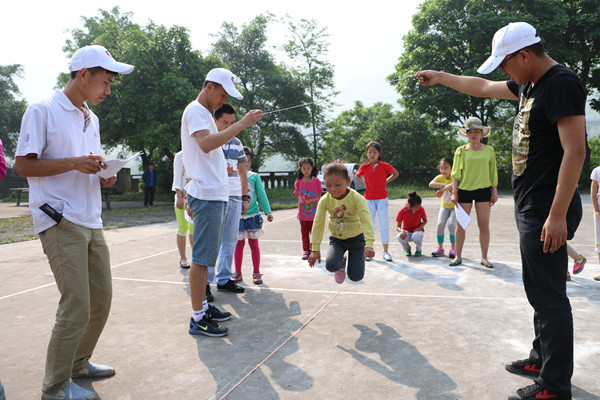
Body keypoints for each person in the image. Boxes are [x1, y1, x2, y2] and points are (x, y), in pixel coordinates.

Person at [417, 21, 586, 400]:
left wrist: (557, 215)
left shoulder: (561, 84)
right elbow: (481, 86)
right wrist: (441, 76)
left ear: (524, 54)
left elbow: (576, 151)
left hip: (548, 209)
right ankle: (540, 357)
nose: (504, 72)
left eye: (505, 63)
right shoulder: (531, 83)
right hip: (534, 204)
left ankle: (555, 386)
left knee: (548, 297)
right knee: (539, 290)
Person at [15, 45, 134, 400]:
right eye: (105, 82)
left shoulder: (90, 118)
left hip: (91, 218)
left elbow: (85, 164)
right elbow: (23, 165)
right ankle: (54, 386)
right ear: (83, 74)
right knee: (77, 303)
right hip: (59, 216)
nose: (108, 91)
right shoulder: (42, 110)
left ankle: (79, 362)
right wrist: (73, 162)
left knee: (101, 299)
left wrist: (103, 174)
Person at [181, 67, 262, 337]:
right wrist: (241, 124)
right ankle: (198, 318)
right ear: (209, 86)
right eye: (223, 93)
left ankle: (203, 308)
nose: (224, 100)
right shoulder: (195, 110)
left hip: (214, 194)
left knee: (207, 258)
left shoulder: (203, 113)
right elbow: (205, 144)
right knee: (201, 260)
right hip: (205, 194)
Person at [308, 162, 375, 284]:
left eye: (337, 185)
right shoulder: (324, 200)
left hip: (357, 240)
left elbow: (367, 220)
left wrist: (369, 244)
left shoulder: (356, 198)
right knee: (331, 266)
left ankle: (352, 262)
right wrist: (315, 249)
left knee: (356, 277)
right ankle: (341, 262)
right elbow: (318, 224)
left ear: (348, 182)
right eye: (328, 185)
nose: (333, 189)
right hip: (337, 240)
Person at [448, 117, 498, 268]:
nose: (474, 134)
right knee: (461, 225)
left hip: (483, 191)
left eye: (477, 131)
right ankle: (458, 256)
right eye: (471, 131)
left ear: (482, 133)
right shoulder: (461, 151)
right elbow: (455, 174)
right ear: (467, 134)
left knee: (483, 225)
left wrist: (494, 191)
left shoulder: (489, 150)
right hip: (464, 191)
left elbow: (493, 172)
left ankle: (484, 257)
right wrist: (454, 193)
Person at [211, 104, 249, 296]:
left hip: (233, 196)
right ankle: (206, 283)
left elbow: (243, 171)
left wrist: (245, 196)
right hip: (214, 197)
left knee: (230, 240)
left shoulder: (236, 143)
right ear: (215, 120)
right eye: (225, 122)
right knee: (211, 241)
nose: (229, 126)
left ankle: (224, 278)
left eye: (232, 123)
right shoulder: (208, 140)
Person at [233, 146, 273, 284]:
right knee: (238, 245)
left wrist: (268, 211)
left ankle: (256, 272)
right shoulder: (232, 176)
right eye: (244, 160)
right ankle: (237, 272)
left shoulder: (254, 176)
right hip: (237, 218)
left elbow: (261, 195)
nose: (246, 163)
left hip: (253, 217)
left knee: (254, 245)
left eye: (249, 160)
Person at [356, 141, 399, 262]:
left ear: (379, 153)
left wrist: (386, 181)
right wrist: (365, 182)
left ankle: (385, 251)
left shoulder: (384, 165)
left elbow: (395, 173)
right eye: (370, 152)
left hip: (382, 199)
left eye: (375, 152)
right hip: (368, 199)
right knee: (369, 225)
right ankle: (369, 251)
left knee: (384, 225)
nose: (372, 154)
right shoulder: (364, 166)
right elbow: (357, 176)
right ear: (366, 154)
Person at [294, 157, 321, 260]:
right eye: (304, 168)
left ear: (312, 168)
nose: (306, 170)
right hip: (303, 214)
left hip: (314, 213)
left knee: (314, 233)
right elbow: (299, 197)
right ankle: (306, 250)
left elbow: (319, 196)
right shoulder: (298, 182)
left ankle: (314, 249)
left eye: (308, 168)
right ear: (300, 169)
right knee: (304, 233)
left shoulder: (317, 181)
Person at [429, 157, 456, 257]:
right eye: (441, 168)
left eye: (446, 168)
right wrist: (445, 186)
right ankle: (440, 248)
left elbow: (454, 185)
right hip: (444, 206)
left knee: (452, 226)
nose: (443, 170)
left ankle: (453, 248)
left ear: (452, 168)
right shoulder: (440, 177)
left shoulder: (455, 177)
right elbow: (431, 184)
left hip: (455, 207)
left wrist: (443, 188)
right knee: (440, 225)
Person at [172, 150, 193, 269]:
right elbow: (177, 177)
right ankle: (183, 258)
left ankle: (196, 257)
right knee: (182, 227)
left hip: (195, 196)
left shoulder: (197, 152)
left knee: (194, 228)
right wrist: (179, 196)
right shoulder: (180, 155)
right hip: (183, 196)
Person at [396, 191, 428, 256]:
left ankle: (419, 249)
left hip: (417, 231)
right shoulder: (402, 211)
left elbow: (425, 221)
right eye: (417, 207)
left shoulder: (421, 209)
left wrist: (419, 228)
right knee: (399, 237)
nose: (418, 208)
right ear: (410, 206)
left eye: (419, 206)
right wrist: (402, 231)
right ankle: (407, 249)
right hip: (407, 232)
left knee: (416, 236)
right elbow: (398, 227)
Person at [590, 165, 600, 281]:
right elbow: (593, 192)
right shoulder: (597, 171)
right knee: (599, 240)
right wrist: (596, 210)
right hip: (599, 212)